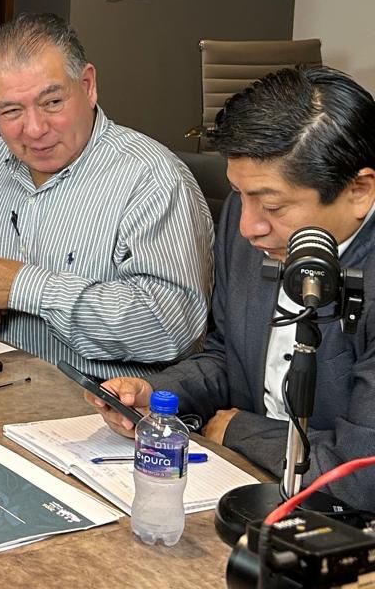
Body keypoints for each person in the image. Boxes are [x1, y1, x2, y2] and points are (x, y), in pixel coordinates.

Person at [88, 66, 375, 511]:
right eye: (240, 194)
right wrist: (159, 396)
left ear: (359, 191)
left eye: (273, 205)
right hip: (236, 482)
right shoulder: (248, 232)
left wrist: (241, 430)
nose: (247, 227)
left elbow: (361, 476)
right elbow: (227, 355)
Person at [0, 13, 212, 379]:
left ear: (88, 85)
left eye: (51, 102)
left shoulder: (151, 179)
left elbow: (170, 326)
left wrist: (23, 287)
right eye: (11, 110)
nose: (34, 129)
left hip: (94, 402)